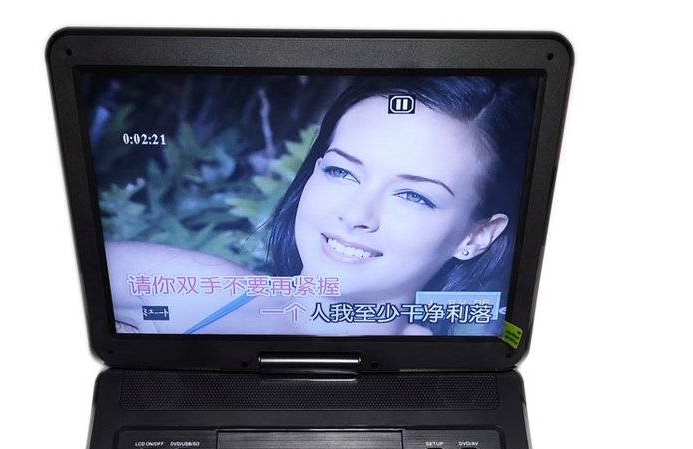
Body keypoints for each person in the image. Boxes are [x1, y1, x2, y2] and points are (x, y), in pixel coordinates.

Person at [106, 76, 535, 336]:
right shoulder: (202, 292)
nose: (356, 215)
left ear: (476, 236)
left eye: (413, 196)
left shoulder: (445, 384)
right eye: (342, 172)